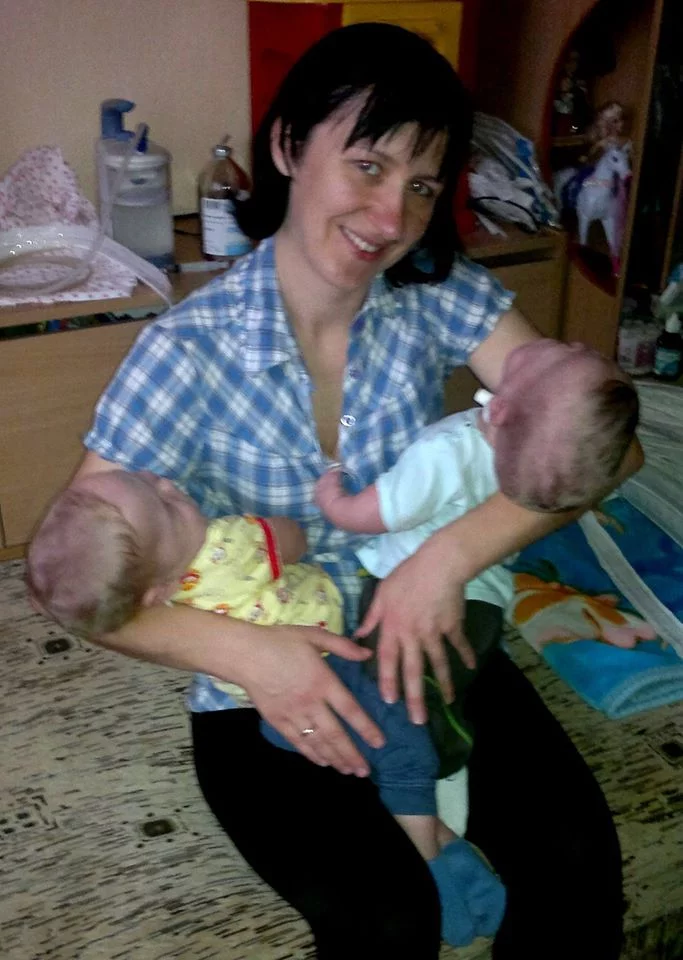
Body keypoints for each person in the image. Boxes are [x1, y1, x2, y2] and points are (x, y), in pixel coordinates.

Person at [41, 22, 642, 960]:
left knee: (576, 866)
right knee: (387, 921)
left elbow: (610, 447)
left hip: (425, 637)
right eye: (368, 165)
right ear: (288, 145)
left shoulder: (437, 293)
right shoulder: (185, 353)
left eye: (422, 185)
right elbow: (77, 586)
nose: (391, 216)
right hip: (263, 685)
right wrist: (253, 656)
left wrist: (446, 560)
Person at [27, 467, 506, 948]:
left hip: (267, 713)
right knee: (408, 744)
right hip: (335, 664)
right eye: (167, 504)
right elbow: (293, 538)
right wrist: (274, 531)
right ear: (155, 591)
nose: (168, 484)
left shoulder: (159, 595)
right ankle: (428, 852)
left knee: (362, 770)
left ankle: (425, 833)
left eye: (153, 483)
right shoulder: (229, 543)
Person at [313, 338, 639, 775]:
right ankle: (441, 717)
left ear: (498, 410)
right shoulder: (534, 460)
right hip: (484, 605)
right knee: (446, 678)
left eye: (572, 354)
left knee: (394, 682)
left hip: (406, 595)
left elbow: (381, 512)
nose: (578, 342)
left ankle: (432, 753)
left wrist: (335, 503)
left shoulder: (447, 451)